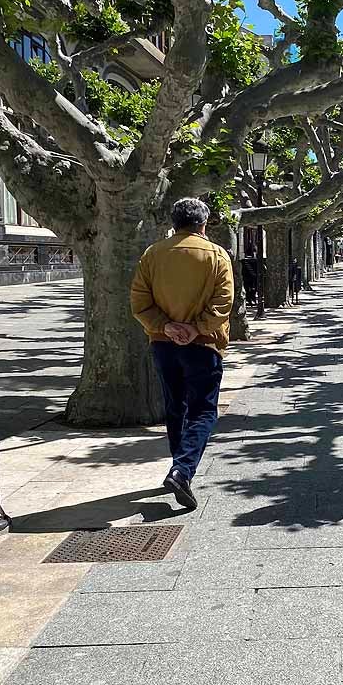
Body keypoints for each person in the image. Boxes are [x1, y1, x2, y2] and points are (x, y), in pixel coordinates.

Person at [130, 198, 234, 510]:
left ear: (174, 222)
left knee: (176, 407)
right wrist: (195, 328)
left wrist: (167, 326)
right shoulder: (216, 255)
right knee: (203, 409)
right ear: (204, 223)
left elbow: (139, 301)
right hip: (203, 343)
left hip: (163, 343)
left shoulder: (153, 254)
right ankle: (182, 469)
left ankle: (178, 465)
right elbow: (223, 301)